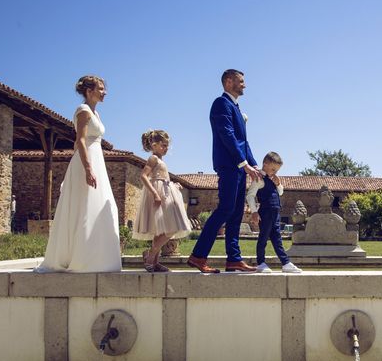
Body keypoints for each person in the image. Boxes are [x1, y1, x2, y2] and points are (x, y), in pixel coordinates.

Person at [35, 76, 121, 273]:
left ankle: (96, 258)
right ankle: (81, 258)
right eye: (100, 88)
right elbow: (80, 141)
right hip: (87, 160)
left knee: (97, 206)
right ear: (89, 91)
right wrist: (88, 168)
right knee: (85, 206)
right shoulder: (83, 111)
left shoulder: (95, 113)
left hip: (96, 158)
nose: (104, 92)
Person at [188, 69, 261, 273]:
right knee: (225, 209)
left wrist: (253, 164)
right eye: (241, 81)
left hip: (239, 167)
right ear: (228, 82)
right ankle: (198, 256)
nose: (244, 85)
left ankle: (234, 259)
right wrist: (241, 162)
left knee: (237, 213)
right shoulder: (221, 103)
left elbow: (243, 141)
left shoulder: (236, 107)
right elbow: (226, 134)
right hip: (229, 166)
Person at [133, 130, 192, 272]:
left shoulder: (160, 160)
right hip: (159, 194)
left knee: (161, 231)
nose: (166, 149)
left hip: (166, 192)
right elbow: (143, 176)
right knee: (172, 228)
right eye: (163, 145)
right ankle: (151, 254)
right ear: (154, 145)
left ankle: (154, 261)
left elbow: (162, 177)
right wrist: (155, 194)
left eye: (167, 146)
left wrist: (173, 184)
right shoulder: (153, 159)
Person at [246, 152, 302, 273]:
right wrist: (254, 212)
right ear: (265, 165)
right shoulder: (259, 179)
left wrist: (278, 183)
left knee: (277, 238)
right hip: (265, 213)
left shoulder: (272, 180)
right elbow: (250, 196)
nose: (275, 172)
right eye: (273, 169)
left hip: (275, 213)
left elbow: (280, 193)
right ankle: (261, 262)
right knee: (263, 238)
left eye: (277, 170)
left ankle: (285, 263)